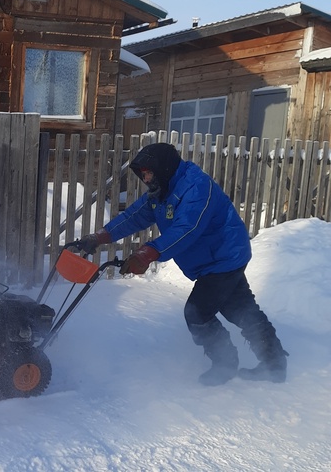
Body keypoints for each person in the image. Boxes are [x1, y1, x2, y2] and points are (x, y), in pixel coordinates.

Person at [78, 142, 288, 386]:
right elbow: (134, 216)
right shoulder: (162, 190)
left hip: (224, 257)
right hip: (210, 259)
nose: (145, 178)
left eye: (149, 172)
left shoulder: (197, 187)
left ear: (164, 168)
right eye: (142, 173)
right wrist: (100, 237)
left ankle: (226, 363)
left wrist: (149, 253)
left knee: (197, 312)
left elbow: (186, 229)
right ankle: (274, 364)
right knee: (239, 310)